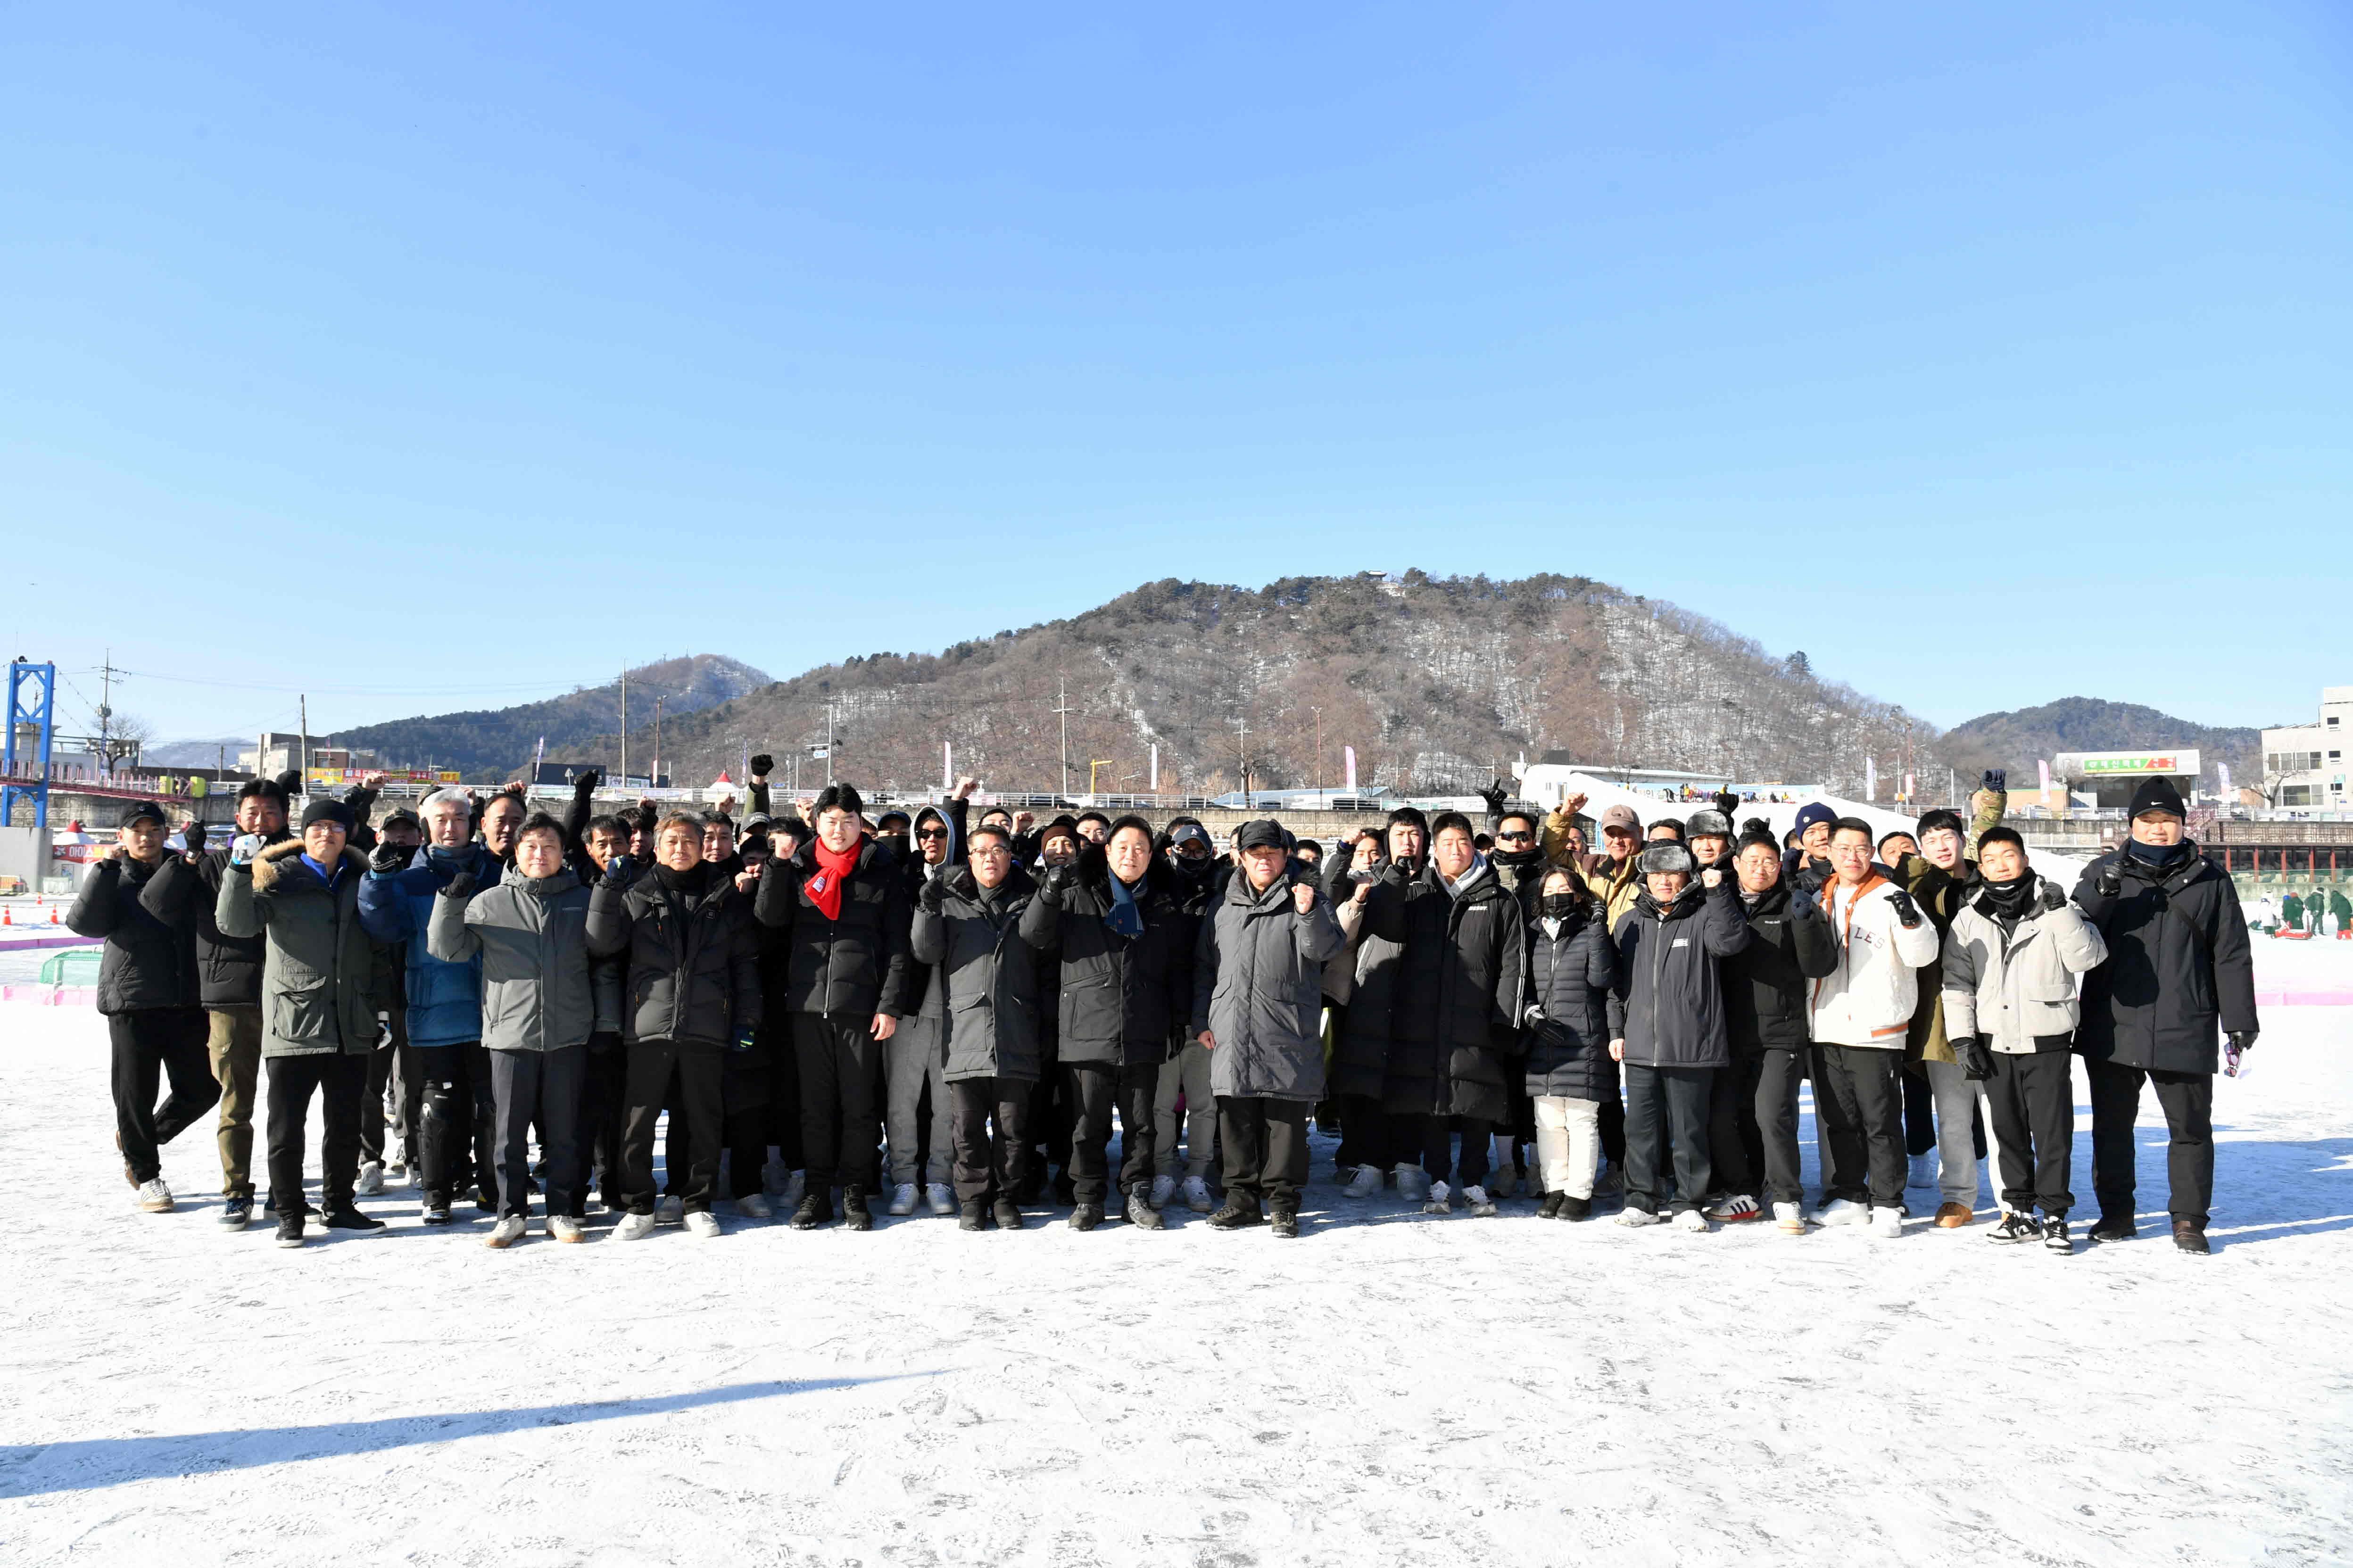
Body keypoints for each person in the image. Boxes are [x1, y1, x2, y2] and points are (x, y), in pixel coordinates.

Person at [2072, 777, 2258, 1254]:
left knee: (2191, 1129)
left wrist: (2239, 1019)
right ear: (2131, 825)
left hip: (2186, 1020)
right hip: (2113, 1021)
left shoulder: (2211, 879)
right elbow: (2073, 935)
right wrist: (2101, 893)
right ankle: (2116, 1213)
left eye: (2167, 821)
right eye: (2147, 821)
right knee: (2112, 1126)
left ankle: (2189, 1220)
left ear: (2182, 824)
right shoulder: (2102, 870)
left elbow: (2231, 952)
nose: (2157, 830)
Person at [215, 799, 389, 1248]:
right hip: (294, 1020)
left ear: (347, 835)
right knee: (287, 1126)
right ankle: (290, 1212)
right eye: (317, 826)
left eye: (335, 827)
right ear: (304, 832)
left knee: (345, 1123)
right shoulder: (278, 877)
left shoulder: (361, 877)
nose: (326, 834)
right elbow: (235, 925)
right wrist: (238, 869)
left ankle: (340, 1204)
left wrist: (382, 1008)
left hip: (351, 1019)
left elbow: (382, 946)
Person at [427, 811, 602, 1246]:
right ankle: (511, 1212)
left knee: (565, 1129)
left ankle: (562, 1211)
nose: (540, 855)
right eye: (531, 847)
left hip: (569, 1029)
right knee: (508, 1133)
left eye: (549, 847)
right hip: (510, 1032)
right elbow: (447, 950)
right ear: (517, 852)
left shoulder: (584, 899)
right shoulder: (490, 901)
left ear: (564, 854)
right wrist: (449, 901)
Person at [588, 811, 762, 1240]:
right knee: (638, 1120)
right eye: (671, 841)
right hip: (649, 1023)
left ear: (703, 845)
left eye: (688, 841)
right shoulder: (636, 893)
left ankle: (695, 1201)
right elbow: (602, 943)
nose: (680, 849)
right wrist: (609, 887)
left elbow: (745, 964)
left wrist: (747, 1020)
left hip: (706, 1022)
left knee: (702, 1118)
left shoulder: (724, 895)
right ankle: (639, 1204)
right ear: (657, 845)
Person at [1022, 815, 1193, 1230]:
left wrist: (1176, 1022)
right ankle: (1088, 1197)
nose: (1130, 855)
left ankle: (1136, 1193)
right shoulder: (1078, 894)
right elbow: (1033, 935)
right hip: (1087, 1027)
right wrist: (1048, 890)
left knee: (1142, 1123)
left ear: (1151, 856)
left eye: (1140, 848)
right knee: (1086, 1123)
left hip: (1143, 1026)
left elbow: (1177, 970)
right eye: (1122, 847)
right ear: (1107, 850)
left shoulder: (1164, 903)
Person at [1941, 826, 2108, 1253]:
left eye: (2009, 855)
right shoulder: (1970, 916)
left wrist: (2062, 913)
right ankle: (2019, 1212)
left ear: (2025, 858)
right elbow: (1958, 983)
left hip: (2047, 1036)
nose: (2001, 864)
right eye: (1991, 858)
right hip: (1994, 1038)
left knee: (2053, 1132)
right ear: (1981, 866)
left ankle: (2055, 1214)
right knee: (2007, 1129)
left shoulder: (2056, 905)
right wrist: (1963, 1039)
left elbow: (2088, 958)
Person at [754, 783, 910, 1231]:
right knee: (814, 1106)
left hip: (860, 1005)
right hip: (805, 1003)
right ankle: (818, 1192)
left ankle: (856, 1190)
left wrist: (890, 1005)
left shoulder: (881, 870)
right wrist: (777, 866)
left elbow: (898, 946)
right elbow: (770, 918)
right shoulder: (798, 865)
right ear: (815, 824)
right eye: (830, 820)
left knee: (860, 1106)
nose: (839, 829)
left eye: (848, 821)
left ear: (862, 824)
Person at [136, 777, 289, 1228]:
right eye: (252, 812)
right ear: (238, 816)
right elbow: (158, 905)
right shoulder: (212, 863)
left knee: (288, 1102)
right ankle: (237, 1190)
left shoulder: (298, 861)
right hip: (232, 996)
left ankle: (284, 1188)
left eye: (271, 812)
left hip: (291, 995)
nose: (260, 821)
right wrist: (186, 858)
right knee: (235, 1101)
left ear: (285, 817)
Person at [1192, 820, 1345, 1237]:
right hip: (1231, 1027)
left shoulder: (1310, 898)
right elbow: (1207, 968)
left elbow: (1325, 949)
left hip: (1286, 1028)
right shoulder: (1222, 907)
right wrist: (1200, 1020)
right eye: (1255, 853)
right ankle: (1241, 1199)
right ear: (1241, 857)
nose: (1264, 860)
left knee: (1285, 1122)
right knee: (1236, 1117)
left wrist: (1306, 911)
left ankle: (1283, 1203)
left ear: (1285, 857)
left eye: (1272, 853)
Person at [1371, 811, 1527, 1216]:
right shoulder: (1417, 892)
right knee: (1434, 1104)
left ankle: (1474, 1181)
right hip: (1424, 1016)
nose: (1456, 850)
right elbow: (1387, 926)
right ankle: (1438, 1181)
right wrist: (1394, 876)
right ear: (1433, 850)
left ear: (1474, 847)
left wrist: (1505, 1018)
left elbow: (1514, 963)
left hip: (1478, 1017)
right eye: (1446, 844)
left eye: (1463, 843)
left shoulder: (1499, 898)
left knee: (1478, 1103)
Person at [358, 787, 502, 1223]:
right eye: (441, 819)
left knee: (493, 1105)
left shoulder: (497, 873)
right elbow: (382, 926)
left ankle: (494, 1189)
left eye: (459, 818)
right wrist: (378, 880)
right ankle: (437, 1190)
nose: (450, 826)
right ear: (426, 826)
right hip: (431, 1006)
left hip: (492, 1009)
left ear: (473, 823)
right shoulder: (409, 879)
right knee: (437, 1104)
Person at [69, 801, 217, 1216]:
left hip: (186, 996)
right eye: (137, 830)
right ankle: (147, 1174)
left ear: (165, 833)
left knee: (203, 1089)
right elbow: (85, 925)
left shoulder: (187, 867)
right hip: (131, 999)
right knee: (135, 1094)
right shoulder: (111, 876)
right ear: (122, 836)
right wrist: (104, 870)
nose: (146, 837)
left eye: (154, 830)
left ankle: (141, 1137)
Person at [1606, 842, 1750, 1231]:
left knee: (1689, 1131)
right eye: (1656, 874)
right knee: (1639, 1129)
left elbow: (1731, 942)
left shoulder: (1704, 916)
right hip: (1639, 1044)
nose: (1664, 881)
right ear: (1645, 879)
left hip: (1692, 1044)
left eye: (1672, 874)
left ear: (1687, 878)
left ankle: (1689, 1202)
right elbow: (1615, 985)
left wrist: (1718, 892)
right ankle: (1641, 1200)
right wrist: (1617, 1030)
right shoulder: (1629, 923)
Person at [1808, 818, 1940, 1238]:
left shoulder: (1892, 896)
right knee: (1839, 1119)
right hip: (1826, 1025)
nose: (1852, 857)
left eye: (1861, 848)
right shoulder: (1818, 898)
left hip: (1876, 1027)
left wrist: (1910, 921)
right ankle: (1850, 1195)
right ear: (1829, 851)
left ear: (1872, 853)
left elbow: (1924, 955)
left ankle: (1887, 1200)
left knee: (1879, 1119)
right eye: (1844, 848)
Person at [910, 822, 1044, 1230]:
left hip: (1017, 1025)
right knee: (966, 1126)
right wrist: (927, 907)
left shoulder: (1029, 898)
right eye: (981, 851)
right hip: (965, 1027)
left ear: (1010, 855)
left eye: (998, 850)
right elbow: (925, 950)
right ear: (969, 859)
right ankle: (971, 1198)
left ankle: (1005, 1197)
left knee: (1012, 1127)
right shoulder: (951, 901)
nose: (990, 857)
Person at [1718, 825, 1838, 1233]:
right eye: (1752, 861)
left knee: (1774, 1114)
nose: (1761, 868)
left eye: (1769, 861)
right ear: (1735, 865)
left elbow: (1819, 966)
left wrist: (1806, 921)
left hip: (1781, 1031)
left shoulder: (1793, 904)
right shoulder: (1721, 903)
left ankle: (1786, 1196)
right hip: (1730, 1031)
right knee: (1734, 1115)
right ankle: (1746, 1191)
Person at [1321, 811, 1425, 1198]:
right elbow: (1328, 902)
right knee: (1358, 1083)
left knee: (1405, 1084)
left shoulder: (1427, 881)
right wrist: (1344, 852)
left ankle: (1404, 1162)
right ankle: (1362, 1160)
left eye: (1415, 835)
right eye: (1400, 835)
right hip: (1361, 991)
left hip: (1412, 996)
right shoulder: (1366, 884)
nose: (1408, 843)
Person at [884, 784, 972, 1217]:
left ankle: (939, 1178)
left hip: (956, 1010)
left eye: (940, 832)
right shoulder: (903, 880)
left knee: (946, 1104)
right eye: (924, 833)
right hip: (911, 1007)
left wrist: (957, 803)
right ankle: (904, 1178)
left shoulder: (965, 882)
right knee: (901, 1100)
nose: (931, 840)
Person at [1521, 866, 1616, 1219]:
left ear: (1579, 895)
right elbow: (1523, 984)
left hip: (1585, 1038)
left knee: (1580, 1119)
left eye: (1564, 888)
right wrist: (1532, 1014)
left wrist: (1597, 928)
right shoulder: (1533, 935)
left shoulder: (1590, 931)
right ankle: (1555, 1188)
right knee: (1547, 1120)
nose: (1556, 895)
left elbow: (1602, 976)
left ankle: (1579, 1192)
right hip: (1543, 1037)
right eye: (1550, 889)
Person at [1150, 819, 1223, 1211]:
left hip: (1204, 1016)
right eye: (1184, 849)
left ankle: (1197, 1174)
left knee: (1202, 1102)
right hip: (1162, 1014)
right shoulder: (1157, 889)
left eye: (1199, 850)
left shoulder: (1221, 892)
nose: (1191, 856)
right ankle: (1163, 1170)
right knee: (1161, 1104)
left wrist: (1204, 1018)